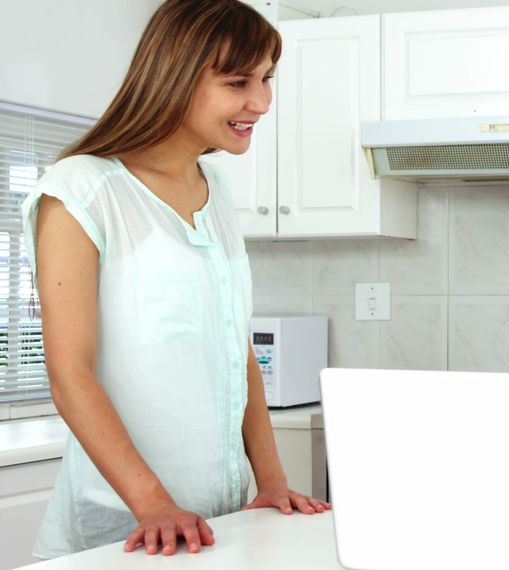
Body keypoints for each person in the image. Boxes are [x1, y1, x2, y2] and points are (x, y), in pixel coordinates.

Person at [23, 0, 329, 559]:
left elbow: (237, 358)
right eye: (238, 81)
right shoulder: (82, 191)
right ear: (176, 76)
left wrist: (271, 483)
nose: (260, 102)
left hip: (225, 522)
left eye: (265, 80)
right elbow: (70, 373)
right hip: (126, 530)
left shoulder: (217, 191)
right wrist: (154, 504)